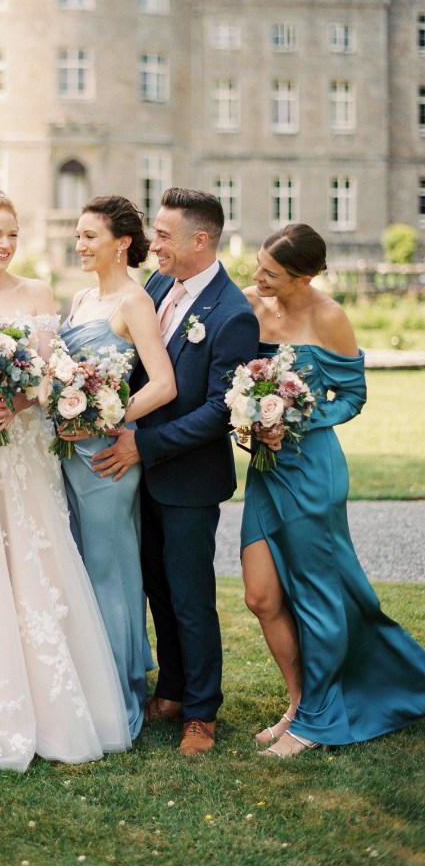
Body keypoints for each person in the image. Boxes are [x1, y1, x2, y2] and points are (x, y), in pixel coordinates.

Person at [0, 188, 131, 771]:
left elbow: (47, 371)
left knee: (38, 559)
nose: (6, 244)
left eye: (13, 233)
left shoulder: (36, 292)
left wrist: (13, 402)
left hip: (25, 445)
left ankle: (54, 703)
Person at [241, 223, 425, 757]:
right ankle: (300, 704)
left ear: (304, 276)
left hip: (312, 470)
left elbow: (352, 395)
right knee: (260, 595)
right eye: (257, 266)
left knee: (319, 599)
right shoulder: (251, 304)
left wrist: (297, 416)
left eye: (270, 273)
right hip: (266, 471)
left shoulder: (330, 317)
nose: (257, 278)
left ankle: (317, 721)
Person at [92, 188, 259, 755]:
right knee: (156, 586)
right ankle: (171, 688)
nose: (151, 243)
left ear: (200, 240)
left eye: (163, 235)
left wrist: (145, 444)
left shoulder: (232, 313)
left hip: (187, 478)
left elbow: (219, 411)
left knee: (190, 595)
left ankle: (202, 713)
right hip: (141, 470)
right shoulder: (158, 286)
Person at [58, 195, 176, 740]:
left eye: (89, 236)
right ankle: (87, 680)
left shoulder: (133, 302)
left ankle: (122, 690)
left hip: (106, 458)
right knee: (77, 568)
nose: (79, 245)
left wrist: (111, 413)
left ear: (121, 243)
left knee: (110, 571)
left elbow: (162, 382)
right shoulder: (82, 297)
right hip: (66, 455)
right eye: (78, 236)